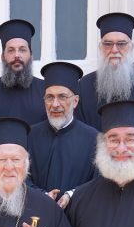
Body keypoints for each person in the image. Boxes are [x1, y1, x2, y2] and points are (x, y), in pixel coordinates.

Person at [27, 61, 99, 207]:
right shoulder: (29, 135)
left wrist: (72, 194)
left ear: (75, 101)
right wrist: (42, 196)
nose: (55, 104)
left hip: (78, 213)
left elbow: (97, 182)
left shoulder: (93, 139)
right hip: (37, 211)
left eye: (62, 97)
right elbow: (21, 176)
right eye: (50, 97)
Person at [75, 13, 134, 131]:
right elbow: (80, 131)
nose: (114, 50)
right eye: (108, 44)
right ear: (100, 48)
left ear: (131, 47)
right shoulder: (84, 85)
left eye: (121, 44)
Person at [0, 19, 47, 124]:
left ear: (31, 55)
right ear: (2, 57)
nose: (17, 55)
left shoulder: (46, 91)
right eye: (11, 50)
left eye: (22, 50)